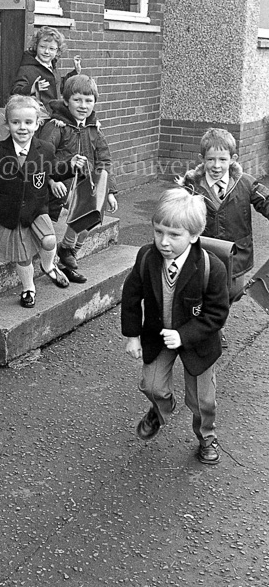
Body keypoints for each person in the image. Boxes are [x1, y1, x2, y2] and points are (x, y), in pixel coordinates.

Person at [121, 187, 229, 465]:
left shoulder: (210, 267)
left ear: (194, 235)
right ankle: (161, 409)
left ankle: (206, 436)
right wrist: (133, 335)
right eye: (158, 232)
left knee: (203, 401)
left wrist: (183, 335)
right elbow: (131, 297)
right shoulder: (146, 258)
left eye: (174, 235)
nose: (163, 242)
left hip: (198, 342)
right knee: (151, 385)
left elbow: (217, 314)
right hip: (159, 335)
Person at [0, 94, 80, 308]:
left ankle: (49, 266)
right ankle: (28, 289)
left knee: (49, 240)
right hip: (11, 212)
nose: (22, 127)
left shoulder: (45, 149)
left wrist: (71, 166)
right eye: (16, 122)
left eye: (28, 122)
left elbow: (55, 169)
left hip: (36, 208)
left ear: (37, 124)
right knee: (23, 257)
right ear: (7, 124)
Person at [176, 127, 269, 345]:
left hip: (237, 252)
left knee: (233, 291)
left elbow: (266, 201)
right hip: (205, 251)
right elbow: (177, 212)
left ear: (233, 159)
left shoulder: (245, 183)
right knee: (206, 291)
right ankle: (212, 328)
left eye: (222, 159)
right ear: (202, 159)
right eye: (210, 159)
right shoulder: (192, 185)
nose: (216, 166)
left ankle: (214, 320)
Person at [38, 74, 118, 283]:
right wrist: (51, 181)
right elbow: (40, 158)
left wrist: (109, 191)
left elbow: (104, 160)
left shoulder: (93, 128)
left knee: (92, 219)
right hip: (60, 183)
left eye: (88, 100)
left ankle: (68, 257)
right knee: (82, 212)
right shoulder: (56, 126)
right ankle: (66, 251)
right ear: (66, 101)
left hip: (86, 183)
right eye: (77, 100)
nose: (83, 106)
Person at [10, 27, 81, 125]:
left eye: (51, 48)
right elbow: (15, 91)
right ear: (36, 46)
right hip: (38, 121)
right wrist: (32, 88)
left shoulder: (52, 67)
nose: (46, 51)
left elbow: (59, 86)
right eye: (42, 47)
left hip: (55, 118)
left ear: (58, 51)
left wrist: (75, 72)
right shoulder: (28, 68)